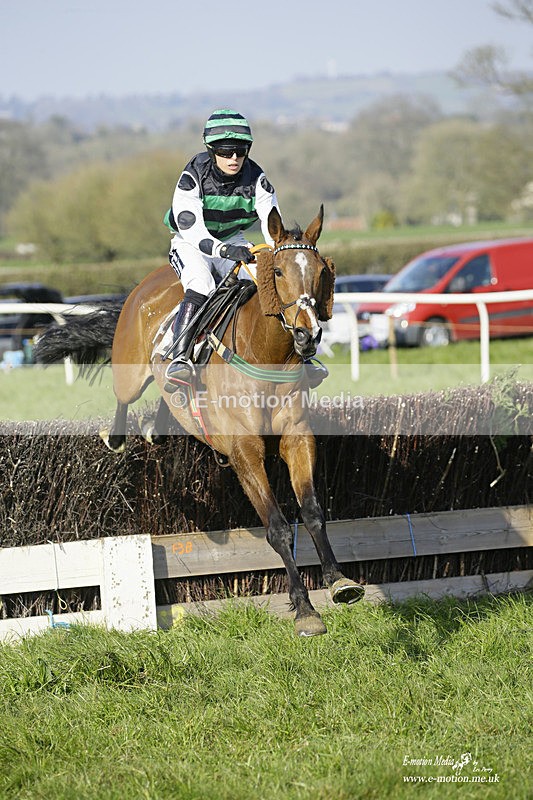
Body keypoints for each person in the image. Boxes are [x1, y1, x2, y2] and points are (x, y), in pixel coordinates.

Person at [163, 109, 280, 386]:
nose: (234, 159)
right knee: (202, 283)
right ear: (212, 150)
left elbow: (272, 221)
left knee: (262, 281)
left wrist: (278, 252)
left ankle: (299, 355)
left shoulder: (257, 178)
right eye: (226, 152)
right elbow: (193, 230)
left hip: (232, 237)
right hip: (190, 242)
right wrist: (225, 252)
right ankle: (179, 357)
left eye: (240, 151)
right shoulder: (192, 176)